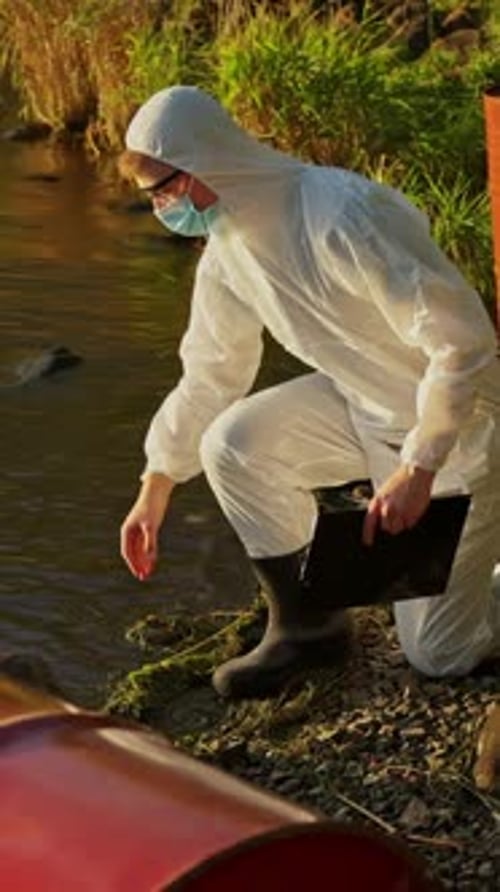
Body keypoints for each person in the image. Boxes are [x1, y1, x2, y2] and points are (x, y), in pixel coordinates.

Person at [119, 85, 500, 700]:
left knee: (438, 653)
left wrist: (421, 466)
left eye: (165, 187)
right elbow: (211, 370)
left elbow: (461, 343)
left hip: (464, 428)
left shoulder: (342, 214)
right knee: (234, 444)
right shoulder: (231, 249)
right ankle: (308, 627)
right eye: (154, 196)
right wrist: (156, 483)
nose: (163, 206)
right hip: (365, 406)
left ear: (207, 163)